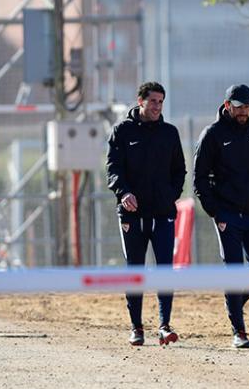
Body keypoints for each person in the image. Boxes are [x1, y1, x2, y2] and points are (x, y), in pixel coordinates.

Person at [193, 84, 249, 349]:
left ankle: (233, 303)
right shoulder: (212, 134)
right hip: (227, 215)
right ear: (227, 105)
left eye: (247, 106)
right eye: (238, 106)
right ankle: (239, 331)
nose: (243, 111)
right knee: (234, 271)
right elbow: (199, 179)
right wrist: (216, 212)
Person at [106, 81, 186, 346]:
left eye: (161, 102)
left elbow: (179, 171)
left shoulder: (170, 133)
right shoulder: (122, 131)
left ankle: (164, 325)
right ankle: (136, 327)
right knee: (135, 270)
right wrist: (124, 193)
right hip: (132, 216)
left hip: (163, 214)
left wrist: (170, 195)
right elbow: (113, 169)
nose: (157, 106)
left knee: (165, 269)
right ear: (140, 101)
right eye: (153, 101)